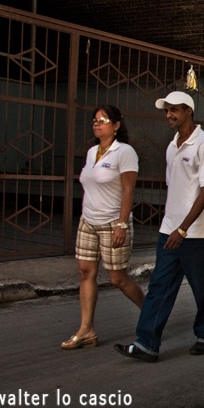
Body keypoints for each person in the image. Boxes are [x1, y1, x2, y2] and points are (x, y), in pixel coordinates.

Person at [115, 91, 204, 362]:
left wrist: (183, 228)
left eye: (174, 110)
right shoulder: (172, 145)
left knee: (203, 287)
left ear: (188, 111)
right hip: (169, 230)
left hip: (194, 232)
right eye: (166, 111)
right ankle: (147, 344)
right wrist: (171, 226)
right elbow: (175, 188)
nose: (169, 115)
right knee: (160, 287)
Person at [62, 105, 145, 349]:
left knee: (117, 278)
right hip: (88, 220)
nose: (97, 124)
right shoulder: (91, 152)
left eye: (104, 120)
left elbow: (129, 190)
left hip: (113, 222)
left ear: (116, 125)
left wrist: (121, 224)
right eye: (95, 120)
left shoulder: (125, 152)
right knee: (85, 273)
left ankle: (150, 313)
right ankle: (86, 329)